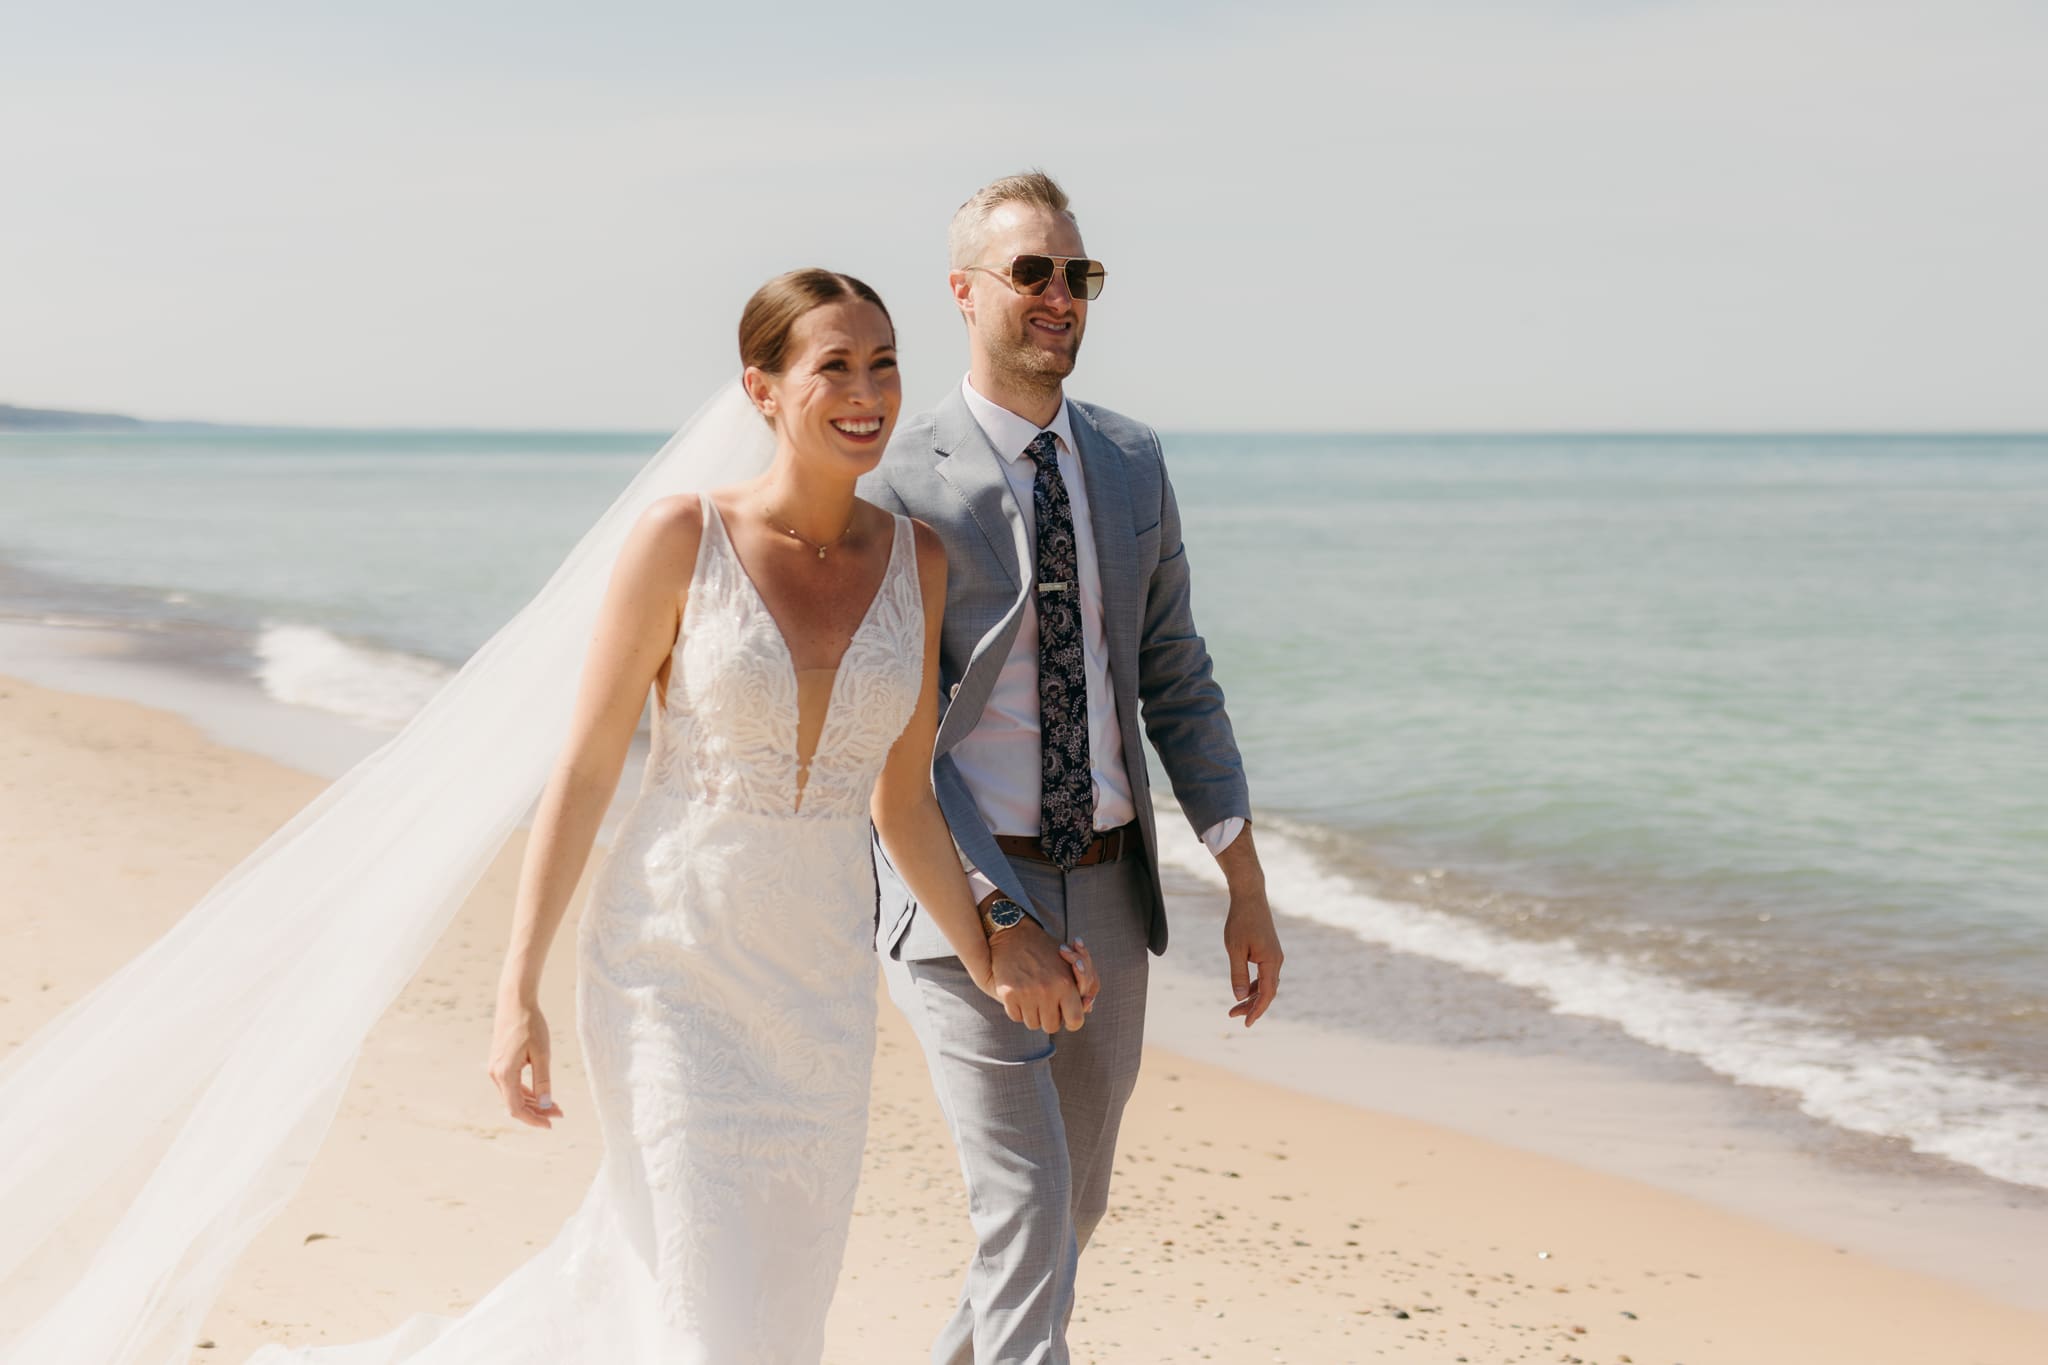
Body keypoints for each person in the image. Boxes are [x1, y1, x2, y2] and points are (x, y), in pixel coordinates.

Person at [0, 269, 1096, 1364]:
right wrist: (515, 986)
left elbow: (897, 802)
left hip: (819, 991)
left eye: (884, 363)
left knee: (771, 1309)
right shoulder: (682, 538)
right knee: (705, 1310)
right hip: (673, 969)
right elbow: (581, 770)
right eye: (833, 367)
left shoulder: (918, 561)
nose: (867, 392)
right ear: (762, 392)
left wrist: (991, 950)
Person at [857, 171, 1286, 1365]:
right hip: (960, 897)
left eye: (1076, 274)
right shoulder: (894, 482)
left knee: (1068, 1210)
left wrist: (1241, 881)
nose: (1059, 296)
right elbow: (892, 738)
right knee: (1028, 1210)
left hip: (1106, 886)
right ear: (963, 292)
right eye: (1031, 271)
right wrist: (992, 916)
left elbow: (1175, 676)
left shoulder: (1132, 461)